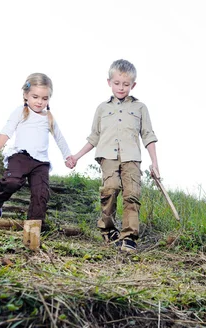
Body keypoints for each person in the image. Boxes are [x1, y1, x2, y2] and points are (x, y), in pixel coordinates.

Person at [68, 59, 160, 253]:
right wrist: (76, 156)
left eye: (126, 84)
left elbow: (148, 136)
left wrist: (155, 163)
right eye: (117, 83)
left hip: (132, 157)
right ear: (109, 82)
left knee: (132, 195)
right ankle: (108, 229)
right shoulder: (102, 108)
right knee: (110, 189)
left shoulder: (140, 108)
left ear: (133, 85)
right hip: (108, 156)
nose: (121, 88)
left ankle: (129, 237)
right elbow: (94, 136)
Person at [0, 73, 74, 226]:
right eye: (35, 97)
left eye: (45, 99)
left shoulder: (49, 117)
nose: (39, 102)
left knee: (41, 194)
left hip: (40, 163)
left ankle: (34, 226)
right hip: (20, 157)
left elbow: (60, 138)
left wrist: (68, 156)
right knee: (12, 182)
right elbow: (6, 132)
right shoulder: (20, 112)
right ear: (26, 95)